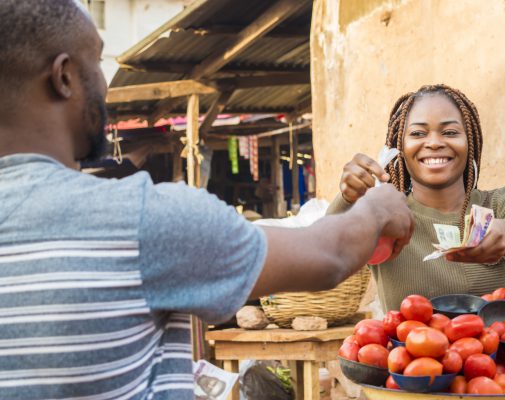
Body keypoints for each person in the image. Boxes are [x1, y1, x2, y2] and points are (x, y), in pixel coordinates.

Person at [0, 1, 415, 399]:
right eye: (97, 63)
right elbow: (329, 256)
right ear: (65, 76)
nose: (105, 85)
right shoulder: (142, 219)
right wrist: (377, 208)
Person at [328, 84, 505, 312]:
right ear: (400, 147)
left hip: (498, 347)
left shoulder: (500, 203)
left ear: (469, 142)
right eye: (418, 133)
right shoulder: (388, 217)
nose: (434, 143)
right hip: (410, 348)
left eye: (450, 132)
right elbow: (330, 252)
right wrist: (347, 198)